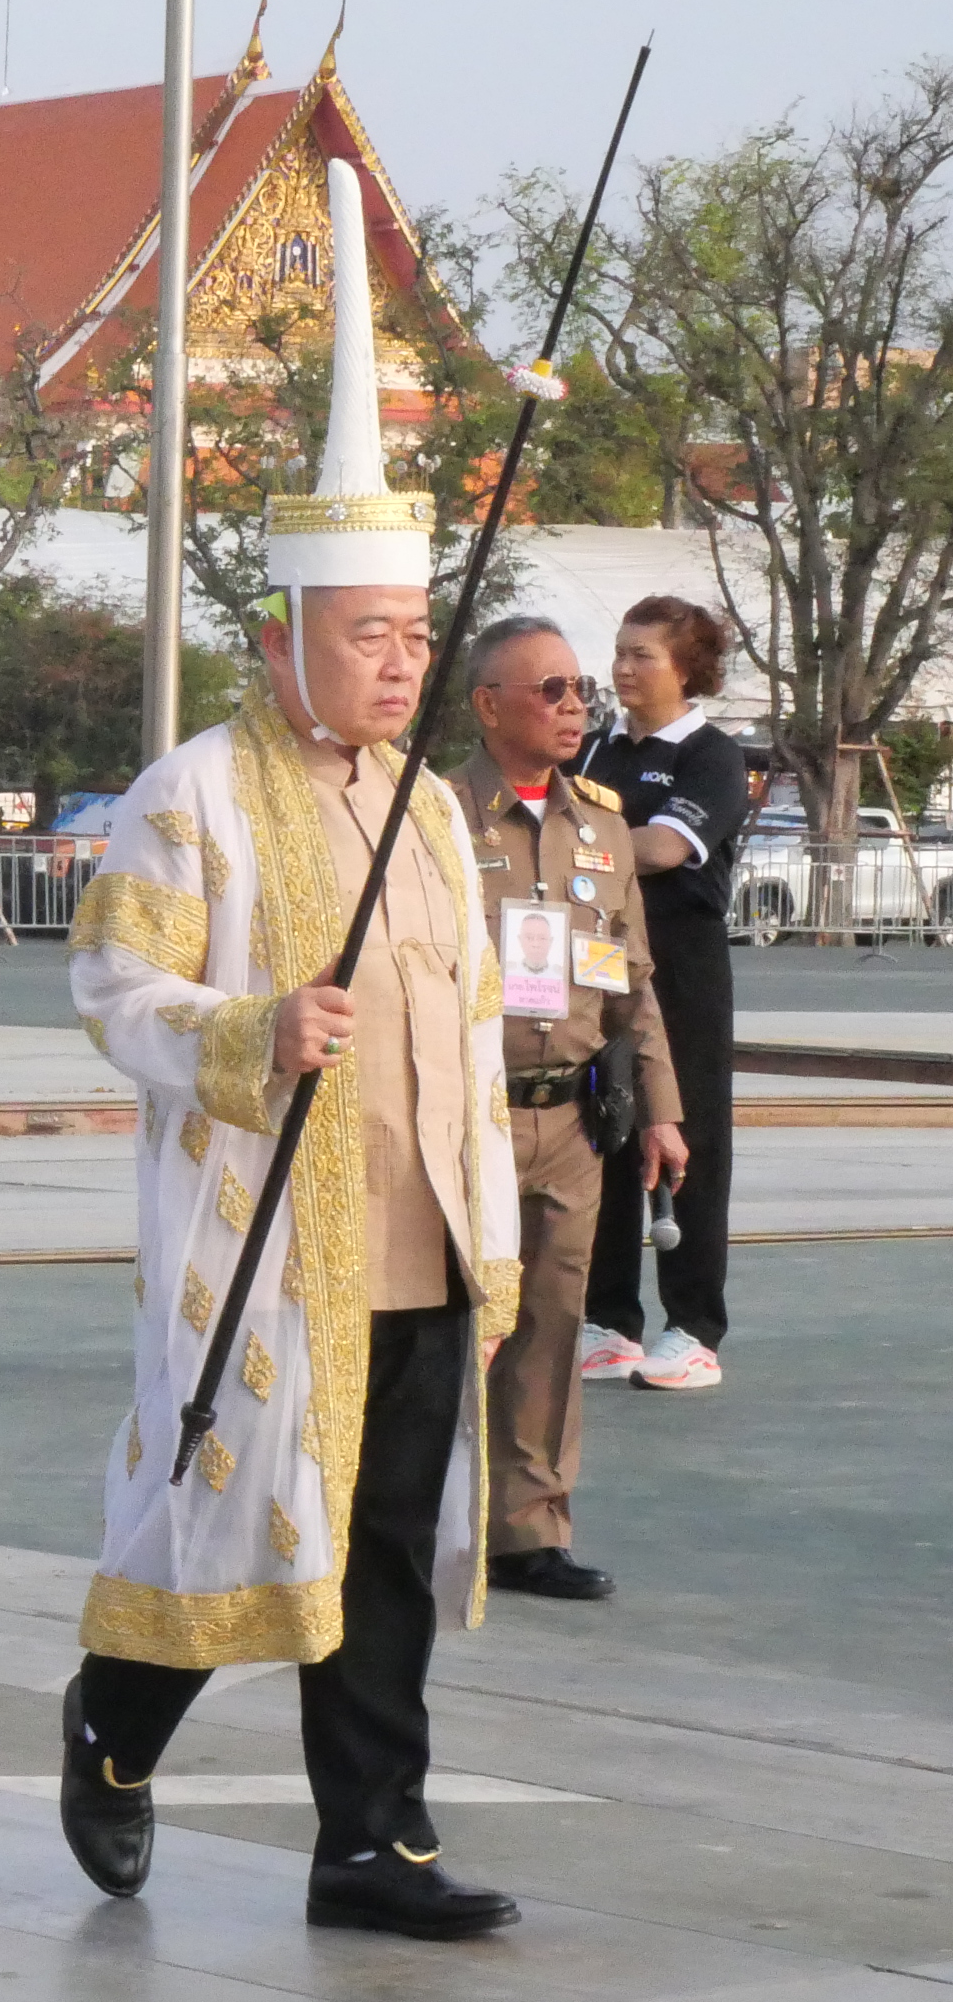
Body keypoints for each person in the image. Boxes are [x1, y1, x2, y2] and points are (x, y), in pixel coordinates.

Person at [55, 158, 521, 1940]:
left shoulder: (430, 809)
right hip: (261, 1246)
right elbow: (114, 991)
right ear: (282, 639)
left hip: (418, 1233)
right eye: (366, 638)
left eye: (414, 639)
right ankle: (115, 1721)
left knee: (386, 1549)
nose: (397, 666)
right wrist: (257, 1028)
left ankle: (367, 1844)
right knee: (240, 1526)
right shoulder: (192, 798)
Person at [449, 618, 686, 1601]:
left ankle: (527, 1527)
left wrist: (663, 1109)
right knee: (443, 1326)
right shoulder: (438, 814)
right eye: (547, 688)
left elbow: (632, 980)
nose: (573, 703)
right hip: (464, 1116)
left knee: (550, 1324)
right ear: (487, 703)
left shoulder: (599, 823)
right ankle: (415, 1515)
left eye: (576, 686)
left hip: (571, 1119)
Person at [580, 597, 751, 1395]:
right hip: (597, 963)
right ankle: (608, 1323)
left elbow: (662, 847)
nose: (622, 668)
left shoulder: (712, 756)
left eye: (641, 655)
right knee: (603, 1130)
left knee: (690, 1142)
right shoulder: (591, 751)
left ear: (687, 668)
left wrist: (577, 844)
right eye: (618, 652)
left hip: (681, 966)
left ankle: (693, 1329)